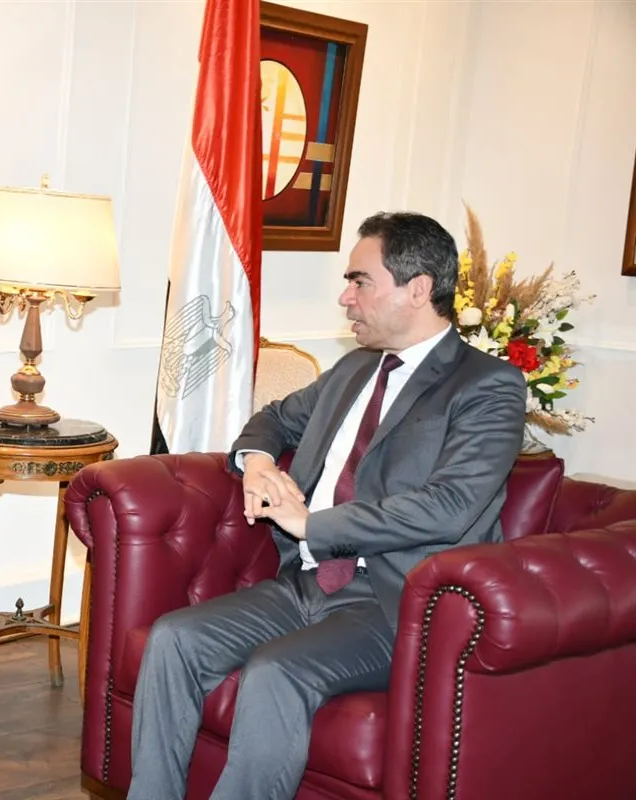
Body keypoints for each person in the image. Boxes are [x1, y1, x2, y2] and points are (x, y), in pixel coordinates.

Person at [127, 211, 528, 800]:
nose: (345, 298)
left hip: (394, 603)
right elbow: (273, 419)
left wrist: (313, 524)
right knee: (173, 640)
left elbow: (451, 505)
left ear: (418, 289)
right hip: (305, 583)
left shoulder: (487, 386)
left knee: (275, 673)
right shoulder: (355, 367)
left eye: (360, 282)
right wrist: (257, 463)